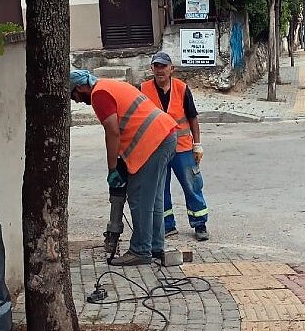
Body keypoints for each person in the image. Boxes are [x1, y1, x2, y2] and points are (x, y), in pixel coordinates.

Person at [69, 69, 177, 265]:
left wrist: (112, 169)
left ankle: (141, 251)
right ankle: (155, 246)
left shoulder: (99, 95)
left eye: (73, 95)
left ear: (80, 87)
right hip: (165, 136)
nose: (75, 101)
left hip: (153, 142)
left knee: (139, 197)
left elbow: (112, 132)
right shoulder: (110, 84)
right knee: (154, 198)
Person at [140, 52, 210, 241]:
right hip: (157, 148)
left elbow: (192, 118)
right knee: (160, 188)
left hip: (182, 148)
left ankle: (200, 224)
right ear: (151, 68)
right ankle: (167, 225)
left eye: (163, 66)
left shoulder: (181, 88)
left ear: (172, 69)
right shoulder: (144, 89)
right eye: (156, 66)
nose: (160, 70)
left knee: (192, 184)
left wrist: (197, 144)